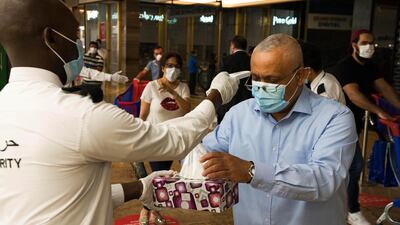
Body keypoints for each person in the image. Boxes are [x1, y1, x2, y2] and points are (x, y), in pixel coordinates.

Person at [0, 1, 239, 224]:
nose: (80, 47)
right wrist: (216, 94)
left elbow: (55, 194)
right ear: (51, 38)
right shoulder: (82, 116)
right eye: (75, 38)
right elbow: (174, 141)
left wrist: (140, 188)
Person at [200, 34, 357, 225]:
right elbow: (206, 154)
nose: (262, 87)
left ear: (301, 76)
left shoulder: (335, 117)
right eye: (256, 78)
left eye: (272, 80)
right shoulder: (239, 115)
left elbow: (324, 181)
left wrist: (251, 171)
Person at [329, 29, 400, 225]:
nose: (370, 47)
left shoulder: (370, 68)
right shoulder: (345, 67)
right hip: (335, 125)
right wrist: (379, 111)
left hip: (352, 125)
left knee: (348, 166)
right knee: (355, 166)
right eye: (365, 43)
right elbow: (353, 94)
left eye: (372, 43)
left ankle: (341, 205)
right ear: (354, 45)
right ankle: (352, 210)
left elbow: (385, 88)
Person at [140, 52, 191, 171]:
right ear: (163, 68)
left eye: (177, 66)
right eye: (169, 65)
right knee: (160, 175)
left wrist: (173, 92)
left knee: (189, 170)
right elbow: (143, 114)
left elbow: (187, 109)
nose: (173, 69)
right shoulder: (151, 86)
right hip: (157, 140)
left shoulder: (183, 87)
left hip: (178, 139)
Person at [217, 35, 251, 123]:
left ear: (232, 46)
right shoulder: (252, 60)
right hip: (248, 102)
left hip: (229, 102)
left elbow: (219, 81)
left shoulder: (226, 60)